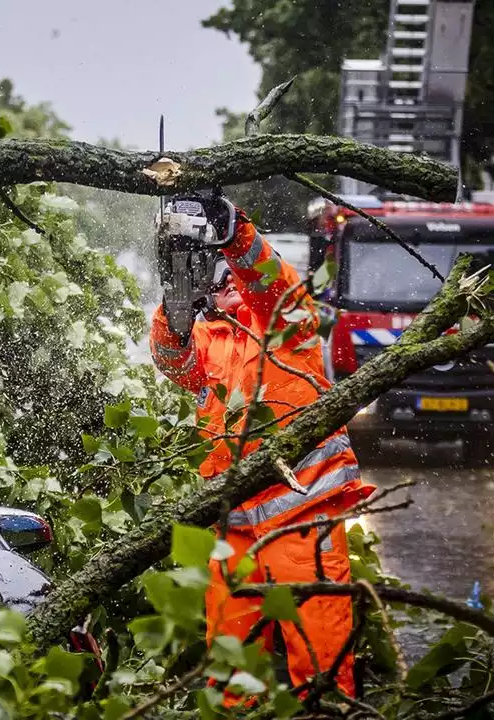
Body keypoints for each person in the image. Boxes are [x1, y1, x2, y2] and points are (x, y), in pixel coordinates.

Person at [150, 196, 374, 699]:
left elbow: (271, 280)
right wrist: (175, 305)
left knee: (321, 672)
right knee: (230, 676)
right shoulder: (206, 340)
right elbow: (172, 361)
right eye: (219, 278)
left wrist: (233, 233)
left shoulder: (288, 324)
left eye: (235, 276)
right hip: (234, 533)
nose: (228, 281)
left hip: (304, 520)